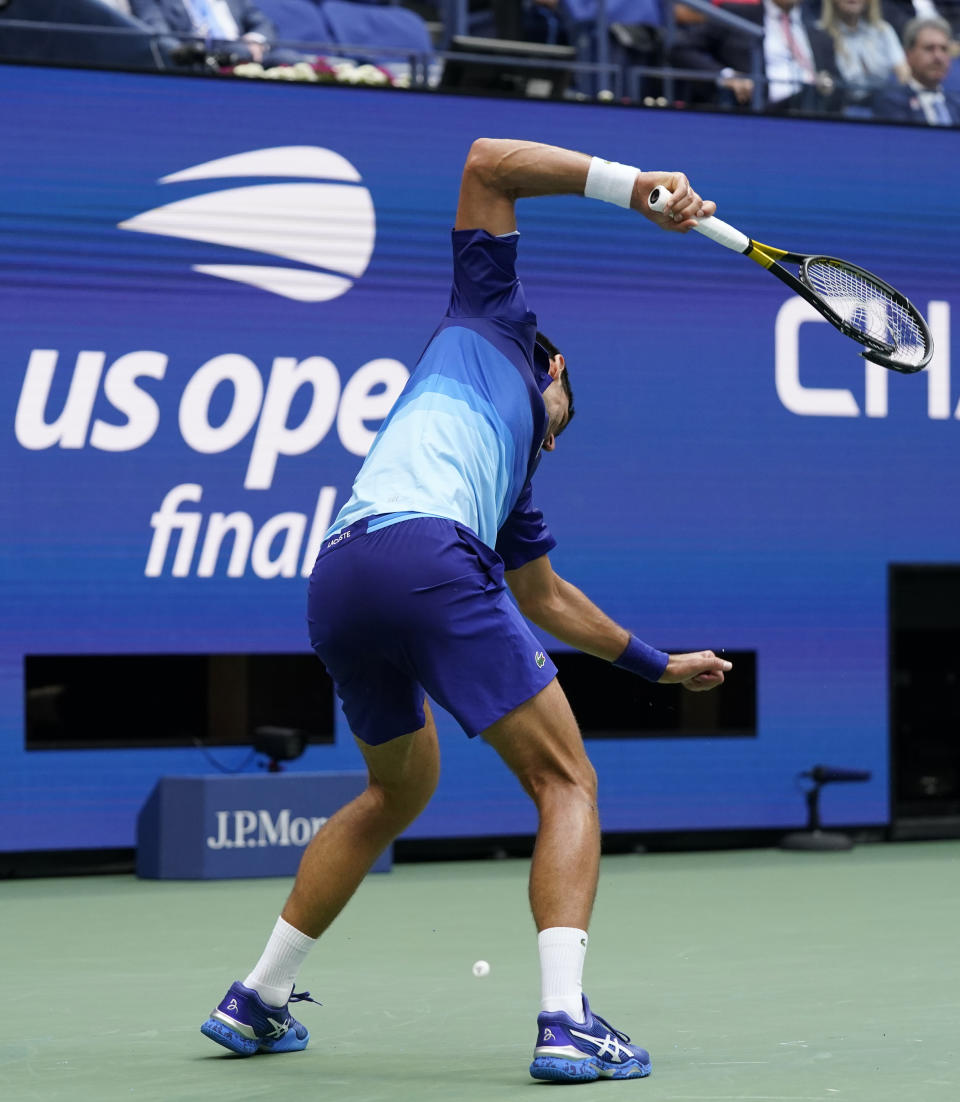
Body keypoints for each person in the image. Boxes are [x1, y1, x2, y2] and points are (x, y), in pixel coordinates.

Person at [199, 138, 732, 1084]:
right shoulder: (491, 311)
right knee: (568, 783)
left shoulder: (512, 475)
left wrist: (658, 665)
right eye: (564, 413)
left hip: (341, 571)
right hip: (428, 557)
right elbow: (489, 161)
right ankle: (566, 1022)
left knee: (397, 790)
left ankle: (258, 997)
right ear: (552, 367)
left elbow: (545, 598)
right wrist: (633, 187)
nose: (557, 436)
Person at [670, 0, 843, 112]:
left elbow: (835, 81)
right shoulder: (737, 15)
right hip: (761, 112)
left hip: (815, 115)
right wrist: (727, 76)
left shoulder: (819, 31)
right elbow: (681, 50)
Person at [128, 0, 303, 67]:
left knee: (291, 60)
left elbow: (264, 24)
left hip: (251, 57)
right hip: (202, 62)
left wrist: (255, 41)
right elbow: (161, 39)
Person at [818, 0, 909, 104]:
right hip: (843, 108)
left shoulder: (883, 30)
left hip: (886, 106)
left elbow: (903, 75)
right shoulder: (819, 34)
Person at [872, 15, 960, 120]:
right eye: (929, 48)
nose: (938, 57)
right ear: (908, 54)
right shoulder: (891, 101)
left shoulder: (956, 103)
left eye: (944, 49)